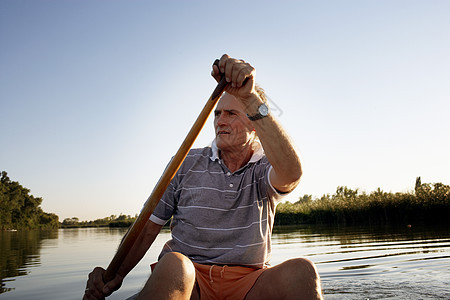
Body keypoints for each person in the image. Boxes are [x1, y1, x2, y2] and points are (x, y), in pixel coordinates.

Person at [83, 54, 323, 300]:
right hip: (189, 282)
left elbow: (291, 174)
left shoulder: (263, 167)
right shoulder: (186, 162)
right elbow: (146, 229)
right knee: (176, 265)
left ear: (254, 125)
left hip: (248, 284)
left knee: (302, 271)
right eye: (217, 114)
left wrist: (250, 99)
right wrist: (115, 275)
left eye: (231, 113)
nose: (220, 121)